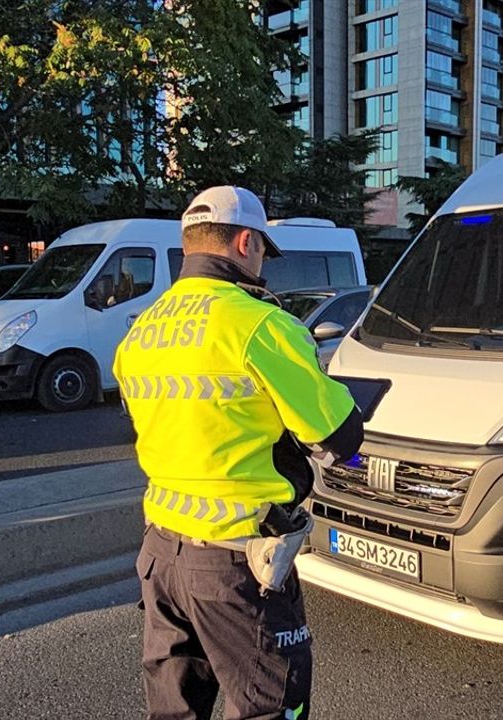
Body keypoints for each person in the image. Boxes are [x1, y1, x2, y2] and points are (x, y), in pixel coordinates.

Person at [113, 186, 363, 720]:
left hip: (160, 556)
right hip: (235, 560)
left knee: (174, 710)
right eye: (262, 254)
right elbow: (338, 437)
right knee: (272, 705)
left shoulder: (141, 330)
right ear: (247, 242)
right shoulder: (259, 325)